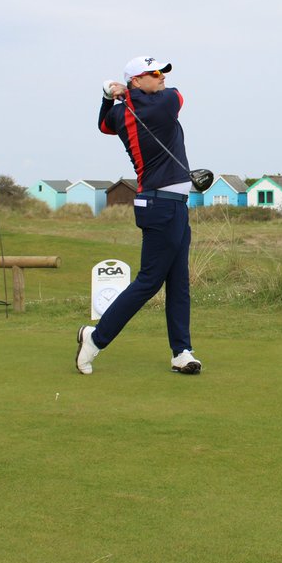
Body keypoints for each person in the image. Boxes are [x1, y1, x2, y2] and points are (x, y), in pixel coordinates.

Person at [76, 56, 202, 375]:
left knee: (178, 282)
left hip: (165, 204)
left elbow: (104, 124)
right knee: (148, 281)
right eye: (154, 74)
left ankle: (181, 351)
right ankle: (96, 338)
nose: (162, 79)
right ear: (136, 82)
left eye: (162, 73)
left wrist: (109, 96)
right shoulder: (164, 104)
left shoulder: (122, 111)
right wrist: (120, 94)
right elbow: (178, 96)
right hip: (163, 205)